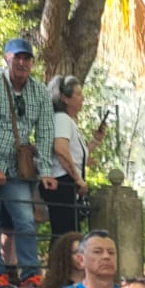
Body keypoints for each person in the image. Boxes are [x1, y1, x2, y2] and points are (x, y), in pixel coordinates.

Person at [0, 38, 55, 280]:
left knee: (26, 220)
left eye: (26, 58)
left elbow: (45, 132)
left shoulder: (40, 90)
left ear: (32, 62)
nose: (22, 62)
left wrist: (46, 170)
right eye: (17, 57)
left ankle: (31, 273)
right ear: (6, 58)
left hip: (18, 167)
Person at [43, 75, 103, 237]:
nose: (82, 98)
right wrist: (78, 179)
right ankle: (60, 262)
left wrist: (95, 140)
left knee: (68, 233)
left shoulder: (68, 122)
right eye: (78, 94)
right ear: (65, 99)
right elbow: (61, 150)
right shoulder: (62, 119)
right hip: (63, 183)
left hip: (67, 183)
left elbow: (77, 156)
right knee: (66, 235)